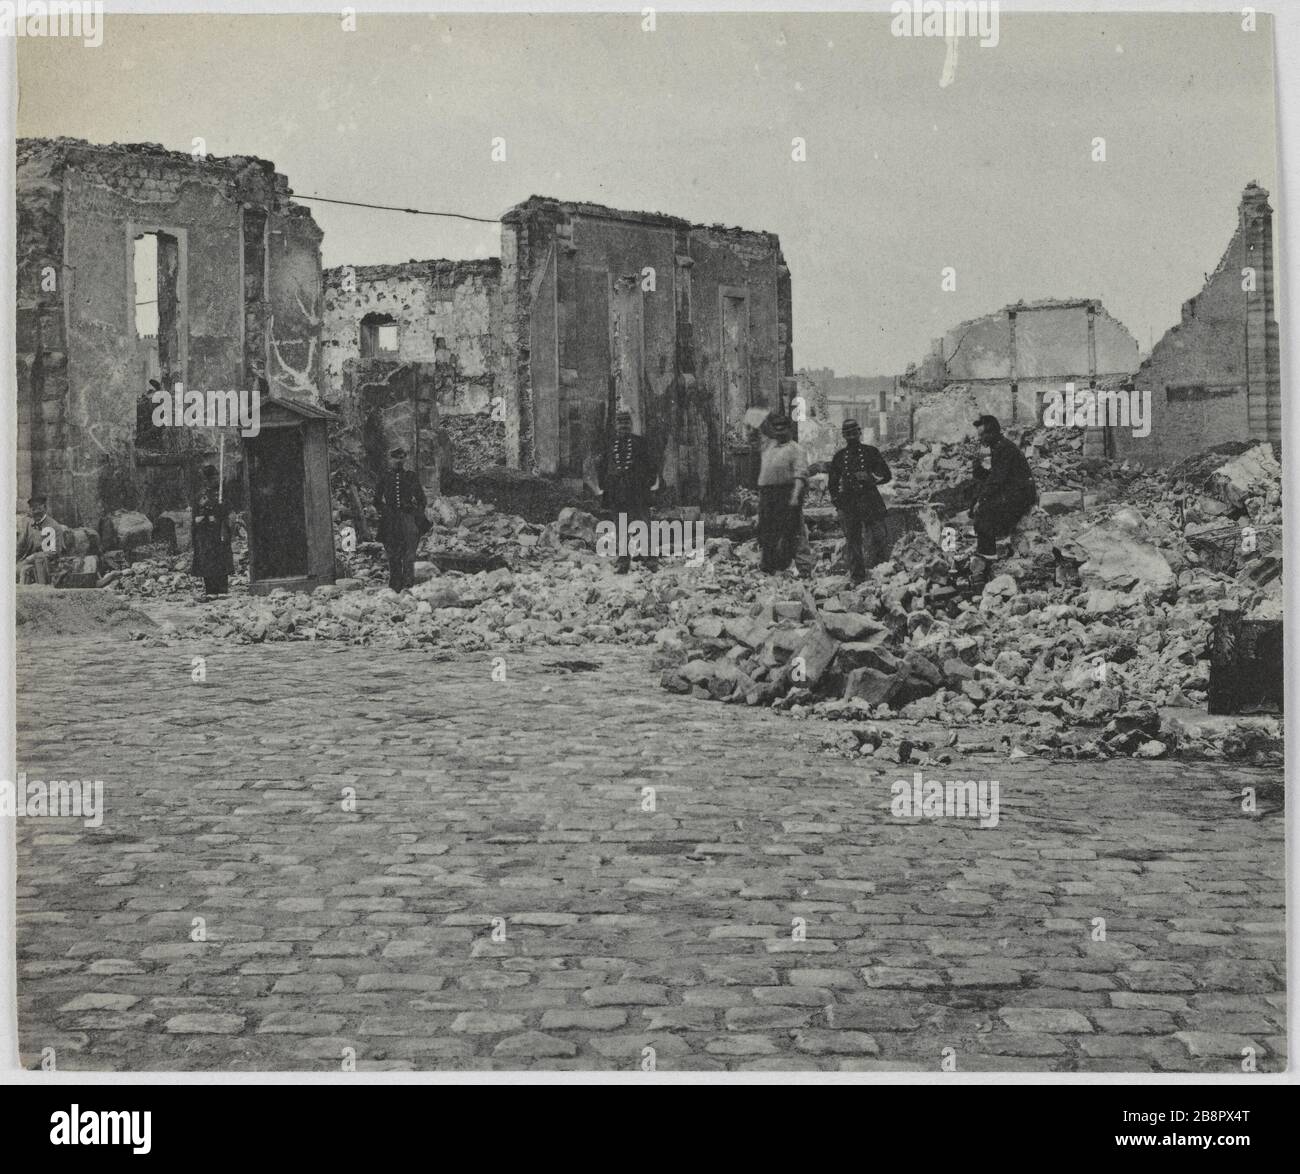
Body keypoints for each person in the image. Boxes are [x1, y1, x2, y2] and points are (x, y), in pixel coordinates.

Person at [970, 414, 1037, 584]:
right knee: (975, 497)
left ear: (991, 433)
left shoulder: (1004, 448)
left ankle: (987, 558)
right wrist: (976, 464)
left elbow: (997, 479)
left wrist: (981, 501)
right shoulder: (997, 446)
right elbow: (992, 476)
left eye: (982, 435)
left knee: (984, 511)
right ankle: (987, 549)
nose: (980, 439)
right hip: (1011, 489)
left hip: (1021, 494)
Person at [828, 419, 892, 583]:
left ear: (859, 432)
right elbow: (832, 484)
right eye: (847, 433)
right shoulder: (840, 457)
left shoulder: (871, 452)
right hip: (850, 502)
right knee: (853, 541)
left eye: (854, 432)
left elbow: (886, 475)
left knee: (879, 536)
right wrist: (838, 503)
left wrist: (871, 478)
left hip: (870, 499)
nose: (851, 436)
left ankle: (883, 573)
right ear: (843, 435)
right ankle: (858, 576)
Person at [597, 409, 658, 573]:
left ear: (630, 425)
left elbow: (652, 464)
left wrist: (647, 483)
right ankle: (623, 561)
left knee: (643, 524)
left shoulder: (640, 442)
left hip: (637, 491)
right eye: (620, 423)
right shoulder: (610, 443)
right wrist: (604, 486)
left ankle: (650, 559)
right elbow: (602, 465)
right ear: (616, 425)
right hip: (617, 491)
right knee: (620, 526)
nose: (623, 426)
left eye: (626, 423)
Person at [756, 413, 808, 574]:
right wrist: (759, 414)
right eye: (776, 429)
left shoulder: (796, 449)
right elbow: (751, 431)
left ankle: (803, 568)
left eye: (782, 429)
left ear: (789, 429)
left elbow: (800, 475)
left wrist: (794, 497)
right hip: (767, 494)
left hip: (787, 492)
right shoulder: (767, 445)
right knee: (766, 530)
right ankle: (769, 567)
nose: (779, 432)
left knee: (793, 531)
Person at [374, 445, 427, 591]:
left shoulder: (411, 476)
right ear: (390, 459)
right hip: (390, 520)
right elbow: (376, 500)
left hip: (407, 518)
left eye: (401, 458)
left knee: (409, 554)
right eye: (395, 458)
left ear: (405, 459)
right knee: (393, 554)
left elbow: (422, 499)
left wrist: (415, 514)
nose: (398, 461)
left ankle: (408, 585)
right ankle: (395, 586)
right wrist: (386, 512)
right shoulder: (384, 477)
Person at [191, 465, 233, 597]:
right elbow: (196, 515)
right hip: (205, 532)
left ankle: (222, 588)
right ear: (207, 480)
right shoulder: (200, 496)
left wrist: (221, 510)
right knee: (207, 559)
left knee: (221, 557)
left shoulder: (222, 494)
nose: (217, 480)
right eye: (213, 478)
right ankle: (210, 589)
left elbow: (228, 510)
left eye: (217, 477)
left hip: (219, 529)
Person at [16, 494, 65, 585]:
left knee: (26, 572)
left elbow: (55, 552)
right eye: (33, 509)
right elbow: (20, 545)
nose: (35, 512)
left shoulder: (54, 526)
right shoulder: (29, 524)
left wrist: (33, 557)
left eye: (39, 509)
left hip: (46, 565)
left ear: (45, 508)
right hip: (28, 561)